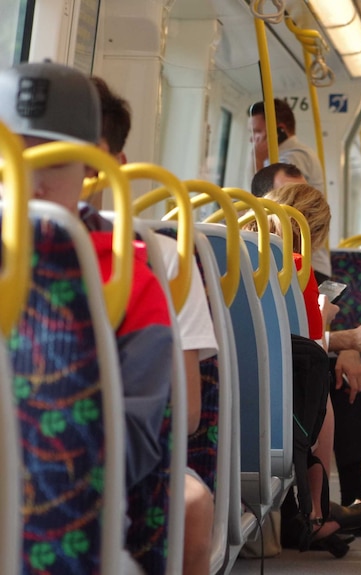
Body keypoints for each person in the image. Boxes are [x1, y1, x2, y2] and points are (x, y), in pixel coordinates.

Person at [0, 61, 175, 575]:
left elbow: (134, 447)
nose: (29, 186)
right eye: (11, 160)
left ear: (93, 169)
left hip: (73, 525)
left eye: (53, 163)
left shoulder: (132, 281)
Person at [89, 76, 219, 575]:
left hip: (121, 461)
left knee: (188, 502)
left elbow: (183, 416)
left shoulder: (156, 262)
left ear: (112, 165)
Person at [252, 169, 361, 537]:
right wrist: (345, 341)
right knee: (326, 381)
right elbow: (301, 345)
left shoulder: (234, 253)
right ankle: (316, 512)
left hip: (241, 377)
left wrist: (341, 342)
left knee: (334, 370)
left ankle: (349, 499)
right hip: (274, 383)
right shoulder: (292, 269)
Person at [248, 99, 324, 194]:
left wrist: (257, 160)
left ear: (280, 131)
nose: (251, 139)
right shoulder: (281, 156)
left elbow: (270, 199)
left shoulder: (294, 157)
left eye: (257, 131)